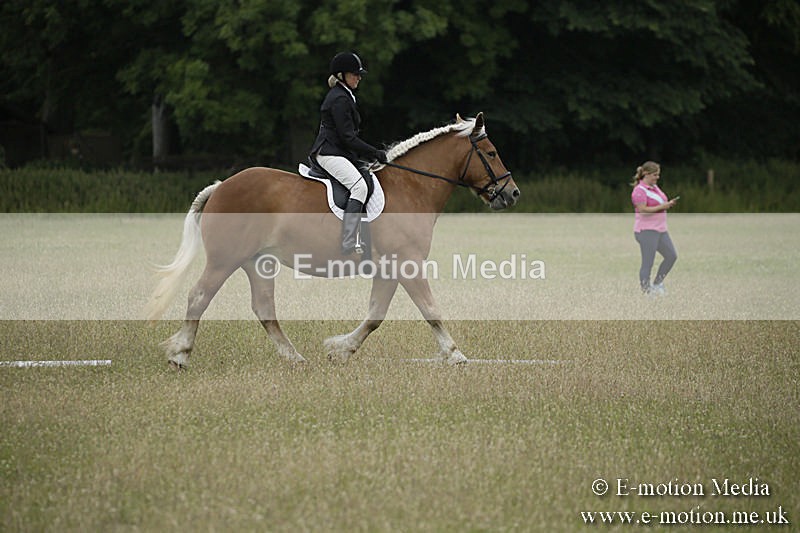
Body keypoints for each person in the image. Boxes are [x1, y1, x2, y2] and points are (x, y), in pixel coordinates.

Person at [309, 51, 388, 255]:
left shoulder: (345, 96)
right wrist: (374, 152)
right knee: (359, 188)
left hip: (337, 151)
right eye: (355, 74)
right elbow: (347, 137)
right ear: (342, 75)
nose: (359, 77)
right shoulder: (339, 99)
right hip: (329, 152)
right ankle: (348, 241)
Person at [631, 161, 678, 295]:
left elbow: (660, 202)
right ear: (646, 174)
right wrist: (663, 207)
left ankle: (657, 284)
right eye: (655, 175)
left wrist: (668, 204)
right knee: (648, 263)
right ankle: (646, 292)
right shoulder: (639, 191)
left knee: (671, 256)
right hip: (646, 231)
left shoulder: (655, 187)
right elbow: (643, 210)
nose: (657, 177)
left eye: (658, 175)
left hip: (661, 230)